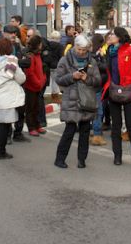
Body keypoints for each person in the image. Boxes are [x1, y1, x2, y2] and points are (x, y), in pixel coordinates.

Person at [54, 35, 102, 169]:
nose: (81, 52)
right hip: (71, 100)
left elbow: (98, 81)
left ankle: (82, 159)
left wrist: (87, 78)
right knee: (69, 130)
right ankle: (60, 159)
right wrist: (72, 76)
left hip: (87, 100)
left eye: (84, 50)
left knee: (85, 131)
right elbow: (58, 79)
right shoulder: (65, 60)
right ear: (75, 46)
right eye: (79, 49)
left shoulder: (91, 61)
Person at [103, 27, 131, 166]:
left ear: (120, 37)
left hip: (129, 92)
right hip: (114, 91)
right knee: (115, 126)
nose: (110, 36)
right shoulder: (109, 51)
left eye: (113, 34)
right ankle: (117, 156)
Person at [19, 35, 46, 137]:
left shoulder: (38, 54)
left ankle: (37, 125)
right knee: (30, 108)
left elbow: (40, 69)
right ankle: (31, 127)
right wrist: (38, 82)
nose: (41, 45)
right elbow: (30, 73)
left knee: (37, 107)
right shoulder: (30, 55)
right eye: (40, 43)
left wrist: (43, 79)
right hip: (31, 87)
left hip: (38, 86)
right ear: (37, 44)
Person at [89, 33, 109, 146]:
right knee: (98, 111)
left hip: (97, 85)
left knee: (97, 110)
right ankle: (96, 134)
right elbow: (103, 67)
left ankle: (95, 132)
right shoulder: (93, 56)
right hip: (95, 86)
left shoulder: (96, 54)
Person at [47, 31, 64, 103]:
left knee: (49, 81)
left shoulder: (47, 45)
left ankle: (51, 94)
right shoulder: (60, 46)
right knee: (55, 82)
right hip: (56, 65)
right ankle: (54, 96)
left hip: (48, 65)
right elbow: (61, 57)